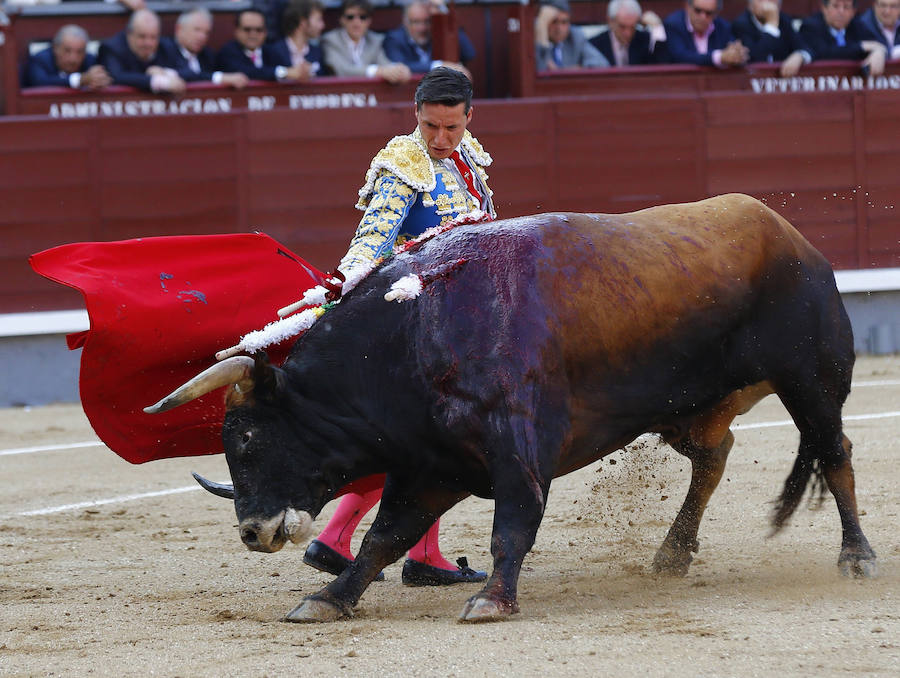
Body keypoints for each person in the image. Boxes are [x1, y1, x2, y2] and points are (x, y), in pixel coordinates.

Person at [302, 67, 494, 586]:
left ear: (468, 118)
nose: (440, 138)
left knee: (425, 444)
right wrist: (336, 295)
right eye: (431, 126)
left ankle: (339, 539)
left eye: (451, 127)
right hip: (411, 331)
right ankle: (387, 548)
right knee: (431, 443)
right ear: (416, 115)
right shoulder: (402, 164)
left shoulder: (469, 157)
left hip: (455, 325)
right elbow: (371, 240)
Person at [321, 0, 412, 83]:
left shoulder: (374, 40)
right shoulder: (331, 40)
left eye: (362, 17)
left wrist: (399, 70)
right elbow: (341, 70)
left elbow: (385, 64)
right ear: (342, 20)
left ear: (369, 21)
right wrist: (376, 71)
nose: (356, 22)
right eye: (350, 17)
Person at [98, 9, 186, 94]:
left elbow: (192, 73)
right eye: (142, 36)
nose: (148, 43)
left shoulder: (166, 46)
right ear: (129, 33)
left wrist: (165, 72)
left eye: (153, 37)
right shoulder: (111, 48)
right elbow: (116, 77)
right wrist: (159, 81)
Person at [158, 8, 249, 89]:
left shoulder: (208, 55)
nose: (202, 37)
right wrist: (219, 78)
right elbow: (185, 74)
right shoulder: (164, 49)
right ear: (179, 29)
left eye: (206, 32)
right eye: (197, 30)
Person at [382, 0, 474, 77]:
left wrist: (443, 12)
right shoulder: (394, 38)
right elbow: (402, 67)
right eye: (416, 22)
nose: (422, 28)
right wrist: (440, 66)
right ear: (405, 22)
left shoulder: (437, 34)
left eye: (427, 21)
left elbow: (469, 53)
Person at [215, 8, 308, 82]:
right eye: (247, 29)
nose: (253, 34)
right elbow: (249, 72)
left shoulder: (272, 52)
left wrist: (301, 71)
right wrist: (283, 72)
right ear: (237, 31)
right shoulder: (228, 52)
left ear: (265, 32)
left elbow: (291, 71)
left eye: (259, 30)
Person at [799, 0, 886, 75]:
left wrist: (879, 51)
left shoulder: (857, 25)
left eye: (846, 7)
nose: (841, 11)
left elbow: (878, 43)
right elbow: (826, 53)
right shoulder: (810, 26)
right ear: (824, 8)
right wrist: (861, 46)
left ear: (853, 11)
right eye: (835, 6)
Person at [731, 0, 812, 76]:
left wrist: (799, 56)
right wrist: (772, 25)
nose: (766, 5)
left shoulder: (784, 21)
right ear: (750, 5)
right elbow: (755, 59)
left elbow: (805, 47)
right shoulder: (740, 25)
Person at [22, 24, 112, 90]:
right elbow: (40, 83)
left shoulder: (90, 60)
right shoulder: (39, 60)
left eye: (79, 52)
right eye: (67, 51)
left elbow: (105, 79)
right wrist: (79, 79)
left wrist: (100, 80)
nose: (73, 59)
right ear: (55, 48)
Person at [663, 0, 749, 67]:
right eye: (698, 11)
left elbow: (733, 49)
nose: (702, 17)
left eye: (708, 13)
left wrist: (738, 53)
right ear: (687, 7)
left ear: (716, 13)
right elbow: (680, 57)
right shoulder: (673, 24)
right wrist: (719, 57)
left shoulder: (723, 27)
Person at [534, 0, 610, 71]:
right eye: (554, 22)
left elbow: (602, 65)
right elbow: (540, 69)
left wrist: (563, 71)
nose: (559, 28)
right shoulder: (532, 40)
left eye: (564, 22)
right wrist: (541, 34)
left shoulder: (575, 37)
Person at [589, 0, 668, 66]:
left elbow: (663, 66)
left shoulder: (644, 41)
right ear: (610, 21)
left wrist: (657, 28)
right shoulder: (595, 45)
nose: (628, 33)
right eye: (622, 27)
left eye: (633, 27)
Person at [265, 0, 326, 79]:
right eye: (318, 19)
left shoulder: (317, 52)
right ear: (302, 22)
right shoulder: (272, 51)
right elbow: (260, 72)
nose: (322, 25)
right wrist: (286, 72)